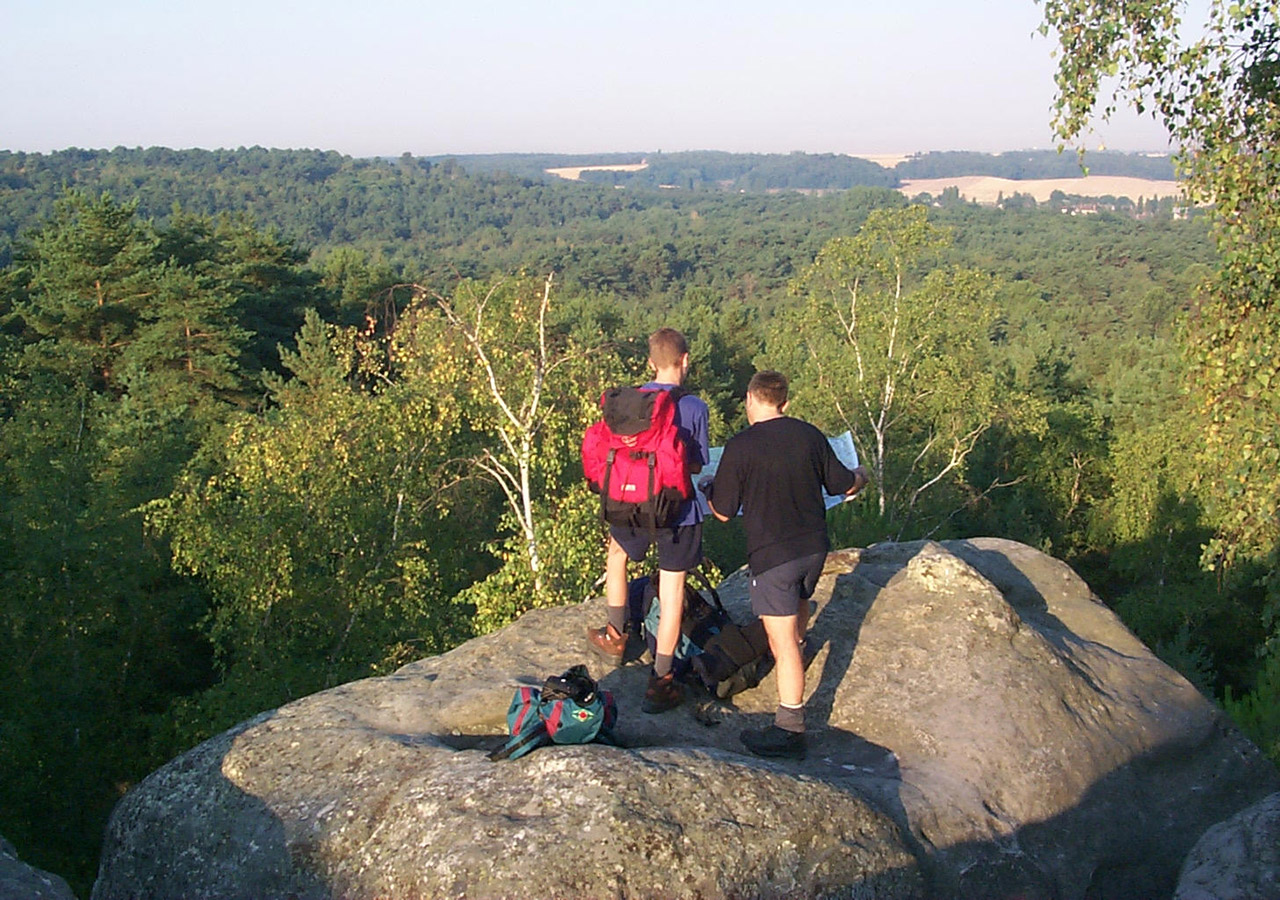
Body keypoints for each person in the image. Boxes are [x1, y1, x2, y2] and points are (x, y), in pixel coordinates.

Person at [706, 370, 868, 759]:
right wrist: (861, 476)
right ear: (785, 403)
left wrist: (710, 487)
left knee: (779, 641)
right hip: (813, 549)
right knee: (797, 610)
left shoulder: (740, 446)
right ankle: (798, 648)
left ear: (749, 400)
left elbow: (724, 513)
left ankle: (790, 727)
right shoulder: (809, 435)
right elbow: (842, 484)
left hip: (772, 556)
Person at [586, 327, 711, 713]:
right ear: (685, 361)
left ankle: (615, 635)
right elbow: (694, 463)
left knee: (617, 556)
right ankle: (661, 680)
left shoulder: (630, 402)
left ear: (649, 363)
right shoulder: (694, 407)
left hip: (632, 502)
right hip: (679, 509)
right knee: (672, 593)